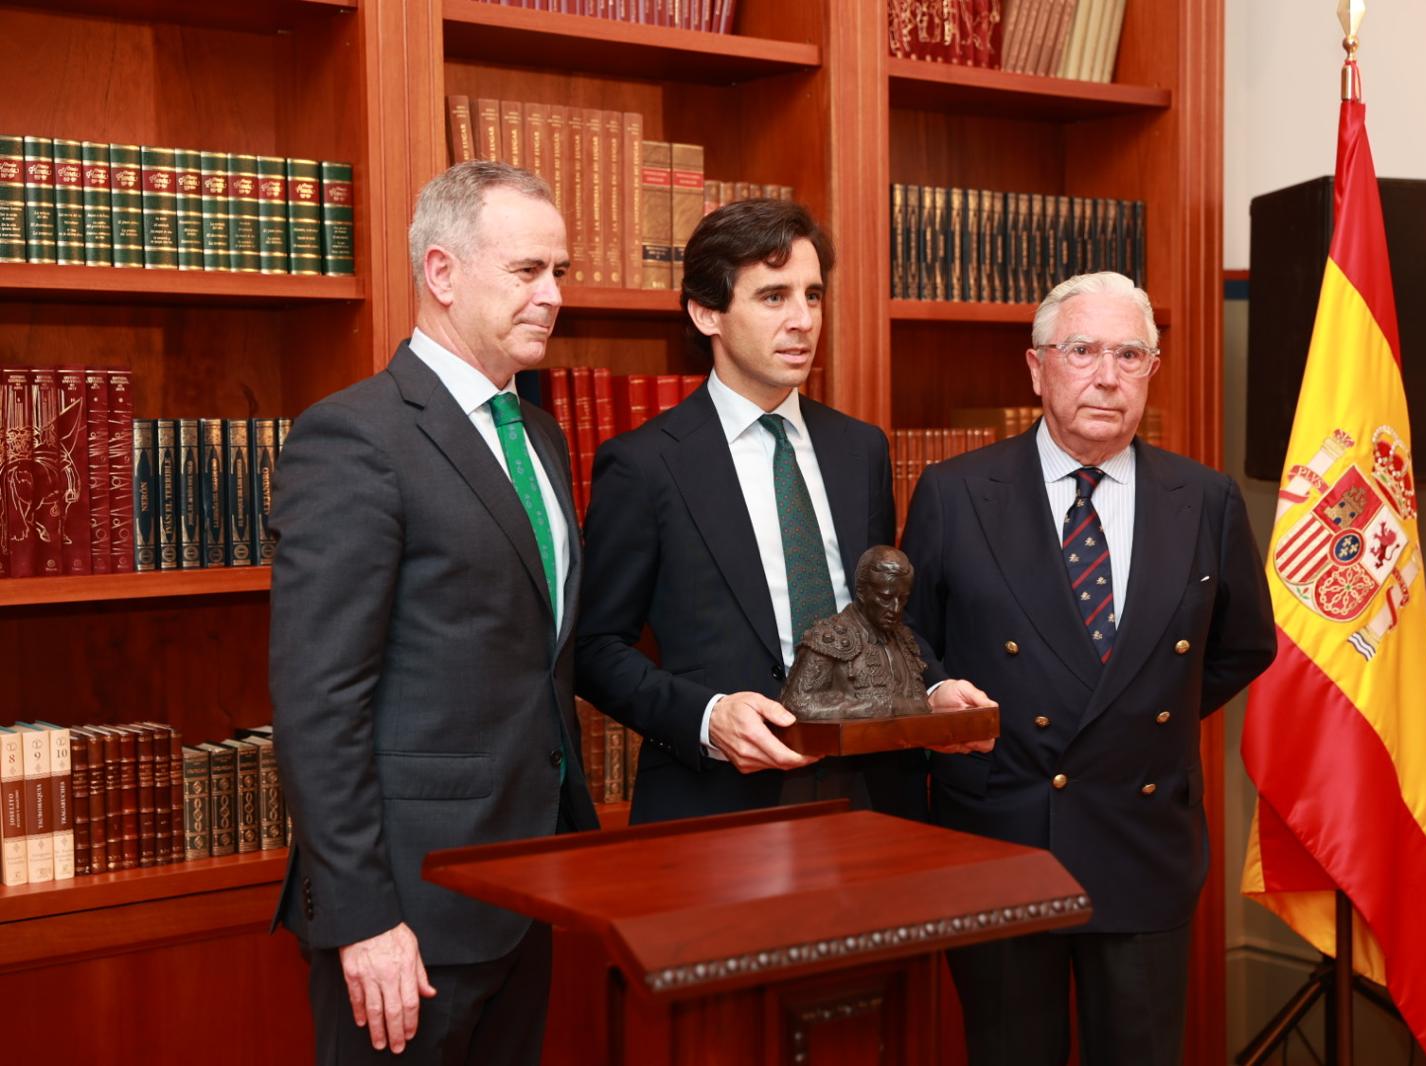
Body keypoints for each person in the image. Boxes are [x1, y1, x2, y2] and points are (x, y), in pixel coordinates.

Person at [901, 271, 1276, 1066]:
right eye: (1082, 351)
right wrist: (939, 693)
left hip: (1142, 840)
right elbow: (905, 640)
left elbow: (1245, 646)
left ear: (1151, 370)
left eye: (1130, 355)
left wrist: (1136, 719)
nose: (1107, 376)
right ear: (1036, 368)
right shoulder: (956, 493)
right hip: (999, 838)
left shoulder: (1204, 499)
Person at [269, 161, 598, 1064]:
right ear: (442, 273)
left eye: (559, 271)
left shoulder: (537, 433)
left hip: (528, 885)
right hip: (406, 915)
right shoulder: (353, 437)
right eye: (528, 271)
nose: (553, 295)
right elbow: (318, 701)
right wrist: (364, 917)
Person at [576, 198, 971, 824]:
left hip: (874, 790)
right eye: (773, 297)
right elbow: (594, 647)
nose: (803, 321)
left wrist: (934, 689)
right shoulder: (645, 464)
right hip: (720, 798)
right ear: (707, 312)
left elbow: (881, 620)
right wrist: (707, 717)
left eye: (812, 296)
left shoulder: (859, 448)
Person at [782, 545, 931, 721]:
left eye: (903, 599)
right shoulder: (829, 638)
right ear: (861, 592)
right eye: (885, 598)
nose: (896, 609)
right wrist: (871, 708)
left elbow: (923, 704)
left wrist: (891, 706)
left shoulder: (904, 637)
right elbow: (796, 704)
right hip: (842, 746)